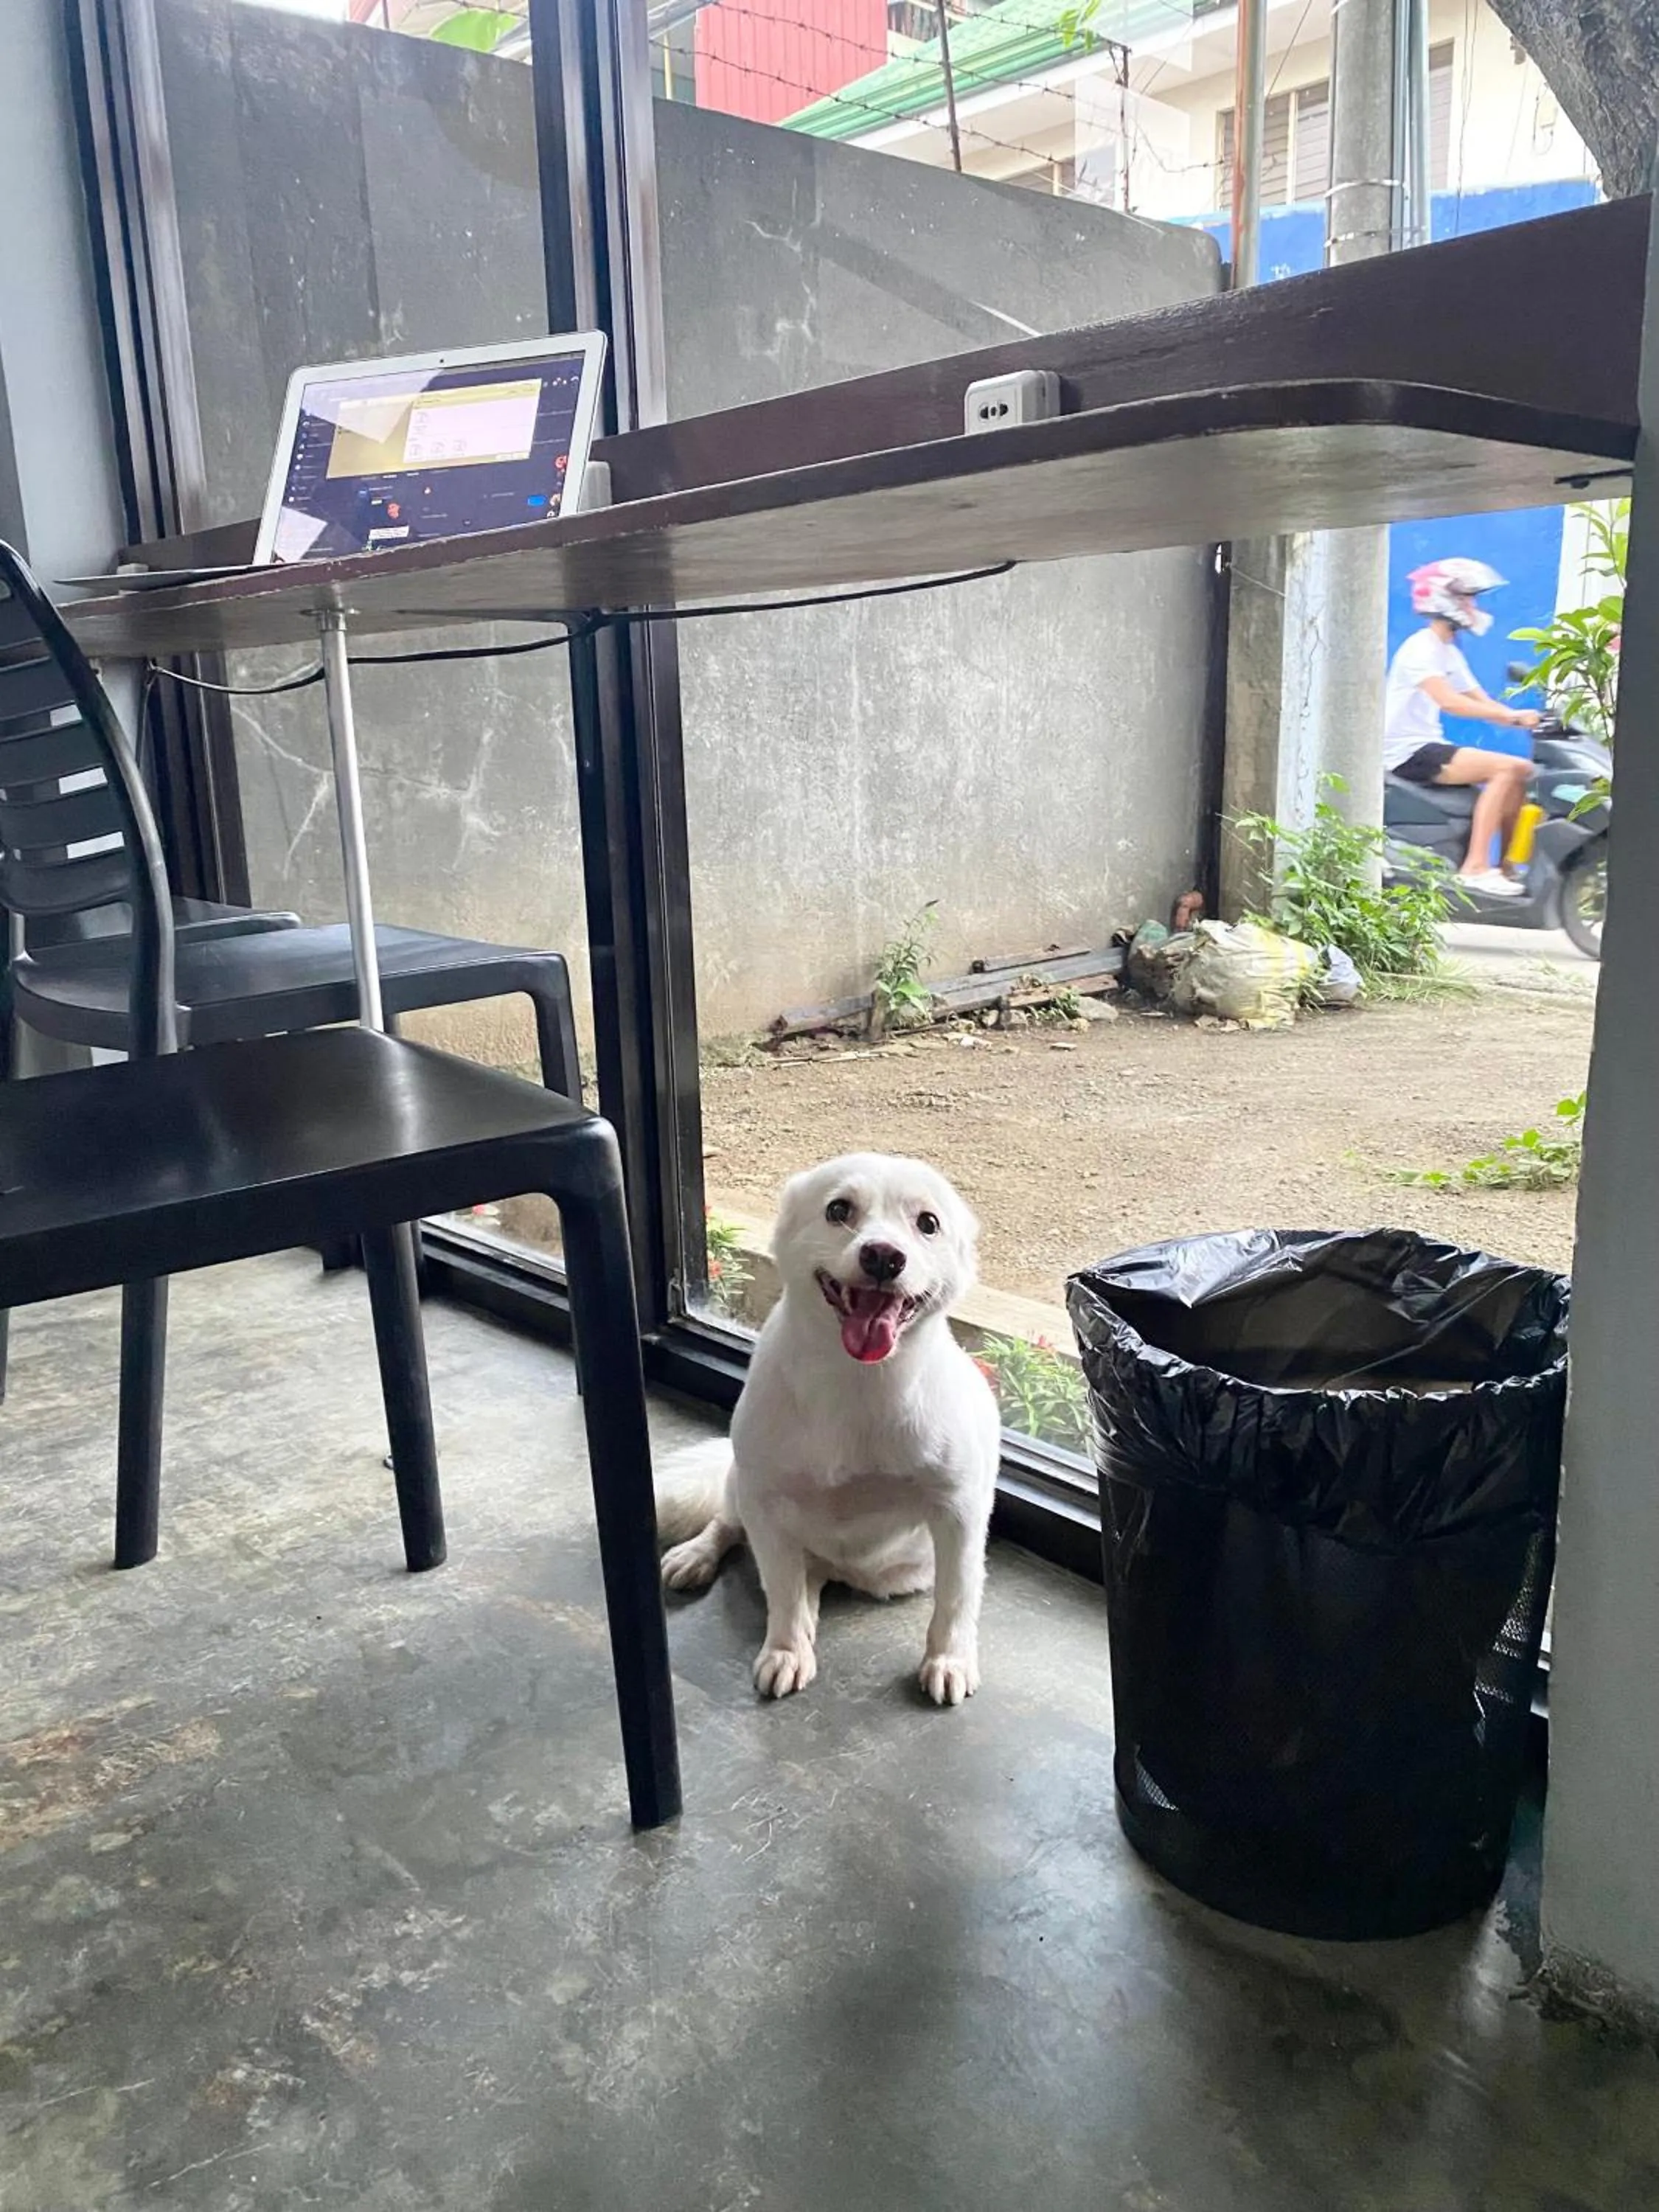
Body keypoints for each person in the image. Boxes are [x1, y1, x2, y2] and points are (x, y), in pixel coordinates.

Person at [1384, 558, 1541, 897]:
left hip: (1427, 745)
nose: (1473, 606)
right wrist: (1512, 718)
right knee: (1506, 769)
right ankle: (1475, 867)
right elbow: (1449, 702)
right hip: (1407, 751)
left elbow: (1483, 704)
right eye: (1467, 598)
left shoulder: (1447, 651)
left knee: (1521, 773)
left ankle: (1506, 869)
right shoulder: (1421, 647)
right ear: (1444, 600)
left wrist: (1527, 717)